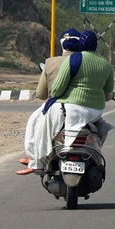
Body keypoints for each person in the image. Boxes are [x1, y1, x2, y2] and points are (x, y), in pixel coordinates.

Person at [18, 30, 115, 174]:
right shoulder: (106, 64)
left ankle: (37, 161)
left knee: (41, 125)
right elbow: (108, 91)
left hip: (70, 108)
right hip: (95, 111)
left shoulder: (74, 59)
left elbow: (56, 89)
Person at [19, 28, 83, 166]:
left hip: (56, 107)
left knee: (34, 124)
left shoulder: (50, 63)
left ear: (62, 44)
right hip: (84, 107)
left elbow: (41, 94)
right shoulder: (89, 62)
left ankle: (36, 158)